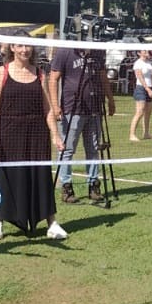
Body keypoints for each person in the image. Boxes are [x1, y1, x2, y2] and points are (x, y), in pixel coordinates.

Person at [0, 43, 68, 240]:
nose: (25, 50)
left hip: (37, 133)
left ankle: (52, 223)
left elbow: (47, 109)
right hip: (9, 133)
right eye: (20, 46)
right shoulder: (1, 72)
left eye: (28, 46)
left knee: (41, 175)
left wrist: (56, 135)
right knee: (8, 176)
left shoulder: (40, 74)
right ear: (13, 48)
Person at [50, 43, 114, 205]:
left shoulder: (98, 51)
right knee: (67, 149)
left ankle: (93, 185)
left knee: (93, 149)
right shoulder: (65, 50)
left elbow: (102, 76)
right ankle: (66, 186)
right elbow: (53, 79)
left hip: (95, 109)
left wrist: (110, 99)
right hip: (72, 109)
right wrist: (56, 105)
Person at [129, 49, 152, 141]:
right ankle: (132, 135)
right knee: (140, 112)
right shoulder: (138, 63)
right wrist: (147, 89)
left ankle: (146, 133)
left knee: (148, 113)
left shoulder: (149, 63)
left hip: (150, 88)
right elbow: (140, 77)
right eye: (144, 50)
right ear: (139, 53)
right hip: (141, 89)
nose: (146, 51)